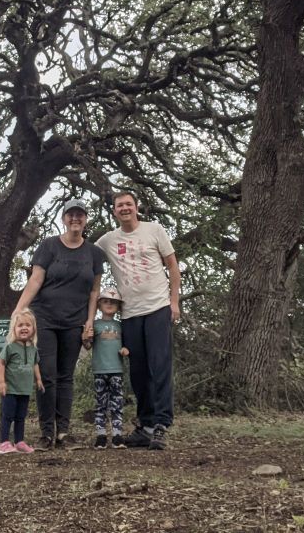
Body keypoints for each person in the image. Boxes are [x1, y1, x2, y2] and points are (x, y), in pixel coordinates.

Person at [13, 199, 103, 449]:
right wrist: (19, 310)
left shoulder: (94, 253)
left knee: (66, 377)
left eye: (80, 215)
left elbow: (94, 291)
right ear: (64, 219)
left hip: (75, 322)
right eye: (71, 215)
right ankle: (46, 433)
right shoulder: (49, 246)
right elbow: (35, 280)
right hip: (45, 319)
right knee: (47, 376)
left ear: (86, 220)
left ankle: (63, 434)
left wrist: (89, 322)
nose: (75, 219)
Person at [96, 191, 180, 450]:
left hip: (157, 307)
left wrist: (174, 302)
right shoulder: (108, 240)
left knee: (160, 366)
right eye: (119, 205)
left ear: (136, 207)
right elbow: (84, 255)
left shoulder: (154, 230)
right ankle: (145, 426)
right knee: (139, 371)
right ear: (114, 211)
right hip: (130, 313)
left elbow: (173, 266)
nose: (124, 208)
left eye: (128, 204)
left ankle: (162, 425)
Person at [85, 287, 130, 449]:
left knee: (117, 403)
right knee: (101, 404)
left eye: (113, 302)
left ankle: (117, 435)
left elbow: (126, 345)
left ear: (119, 306)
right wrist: (85, 338)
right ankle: (101, 435)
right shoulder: (94, 325)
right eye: (105, 301)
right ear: (98, 305)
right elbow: (88, 345)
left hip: (116, 370)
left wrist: (126, 350)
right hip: (100, 370)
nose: (109, 304)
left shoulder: (121, 326)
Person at [0, 308, 44, 455]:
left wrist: (39, 379)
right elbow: (1, 363)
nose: (24, 328)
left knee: (21, 417)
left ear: (33, 329)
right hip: (10, 389)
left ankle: (19, 442)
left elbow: (35, 364)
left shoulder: (33, 349)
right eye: (20, 325)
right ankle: (3, 443)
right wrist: (1, 382)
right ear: (14, 329)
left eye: (27, 325)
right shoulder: (10, 347)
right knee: (7, 415)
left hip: (25, 389)